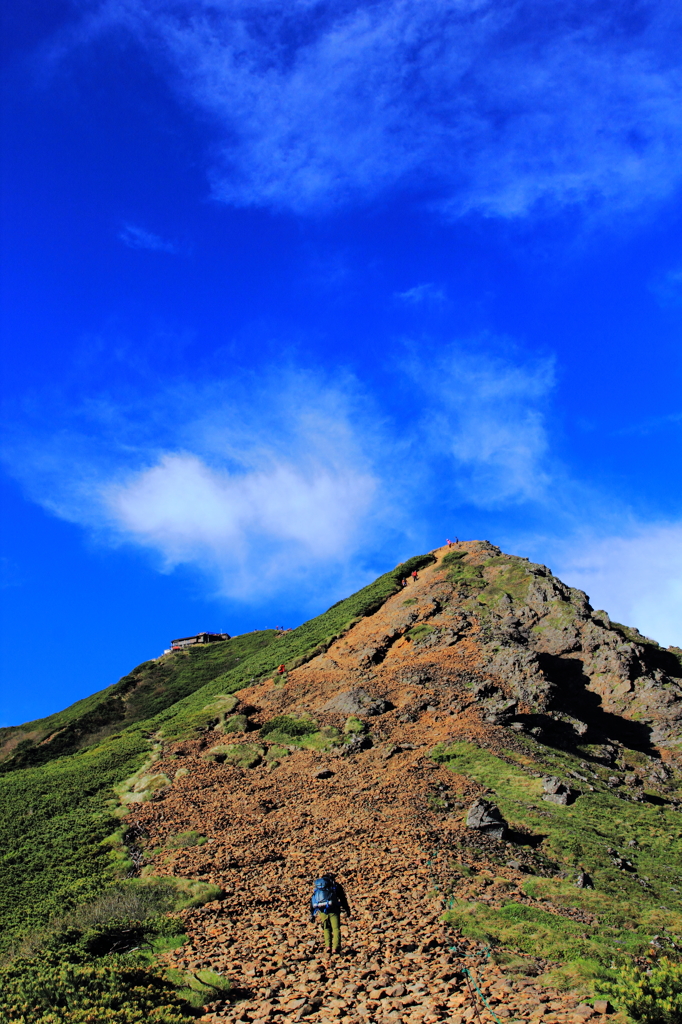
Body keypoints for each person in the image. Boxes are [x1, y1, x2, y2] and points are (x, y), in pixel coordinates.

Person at [309, 873, 351, 959]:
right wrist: (347, 909)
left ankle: (328, 947)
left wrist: (312, 914)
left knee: (326, 928)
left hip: (322, 910)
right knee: (336, 929)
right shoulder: (335, 885)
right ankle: (336, 948)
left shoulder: (318, 887)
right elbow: (342, 898)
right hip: (333, 909)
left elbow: (312, 900)